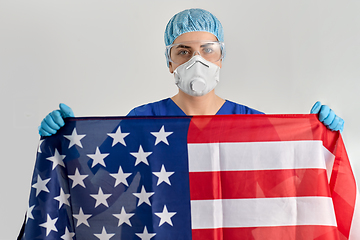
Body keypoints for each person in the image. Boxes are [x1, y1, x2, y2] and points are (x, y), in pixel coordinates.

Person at [37, 8, 344, 137]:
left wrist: (321, 138)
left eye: (208, 49)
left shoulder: (252, 124)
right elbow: (99, 189)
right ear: (169, 62)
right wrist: (66, 142)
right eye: (183, 51)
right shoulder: (142, 121)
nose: (197, 60)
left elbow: (290, 189)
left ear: (221, 57)